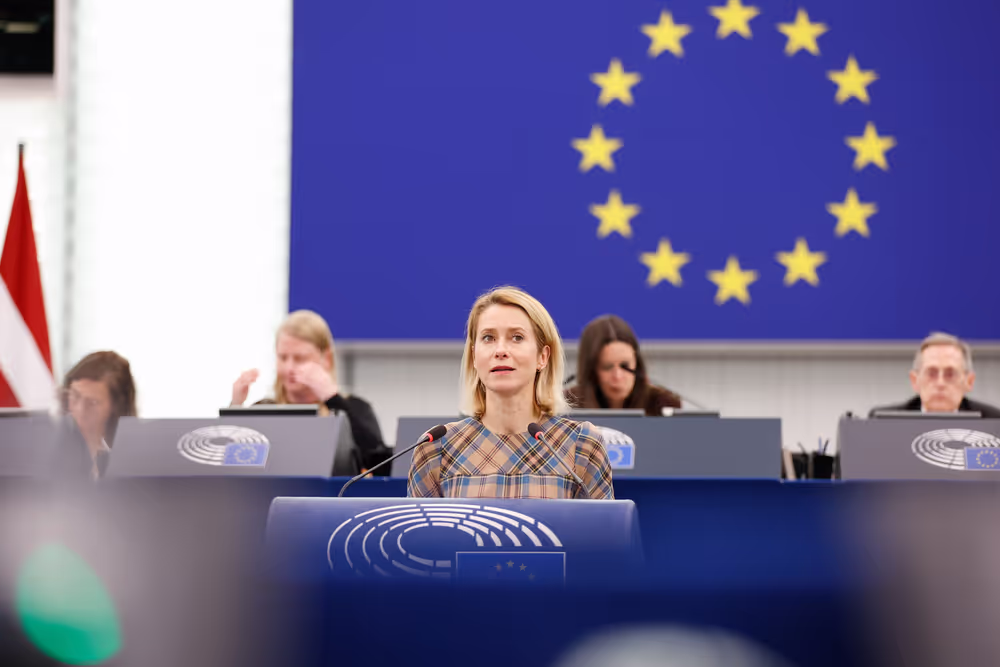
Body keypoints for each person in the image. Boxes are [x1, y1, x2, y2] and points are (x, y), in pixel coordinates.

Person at [407, 286, 614, 499]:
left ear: (542, 357)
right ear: (474, 357)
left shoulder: (581, 444)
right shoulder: (435, 449)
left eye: (516, 337)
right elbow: (419, 533)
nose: (500, 351)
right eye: (488, 338)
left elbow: (605, 532)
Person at [230, 310, 391, 472]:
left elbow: (381, 465)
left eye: (300, 358)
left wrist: (333, 399)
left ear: (326, 359)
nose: (289, 368)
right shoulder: (264, 410)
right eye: (283, 357)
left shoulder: (355, 409)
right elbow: (232, 464)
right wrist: (234, 408)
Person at [565, 314, 681, 416]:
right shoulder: (566, 406)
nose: (618, 376)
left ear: (637, 364)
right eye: (607, 367)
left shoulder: (663, 406)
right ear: (591, 370)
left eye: (625, 366)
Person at [869, 332, 1000, 417]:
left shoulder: (992, 421)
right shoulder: (884, 421)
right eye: (931, 373)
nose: (940, 383)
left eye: (950, 374)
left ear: (969, 382)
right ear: (915, 381)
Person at [60, 351, 138, 479]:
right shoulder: (47, 449)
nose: (80, 410)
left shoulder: (136, 463)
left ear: (116, 408)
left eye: (93, 403)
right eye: (75, 396)